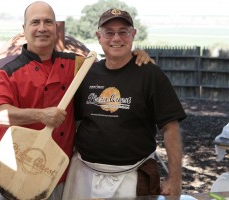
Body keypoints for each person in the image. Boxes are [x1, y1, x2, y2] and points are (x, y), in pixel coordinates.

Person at [0, 1, 152, 200]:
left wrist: (136, 58)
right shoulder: (8, 72)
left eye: (48, 22)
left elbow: (113, 69)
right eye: (35, 22)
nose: (42, 28)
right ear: (24, 29)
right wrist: (41, 115)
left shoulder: (76, 65)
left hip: (53, 177)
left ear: (56, 28)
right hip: (8, 174)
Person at [62, 8, 187, 200]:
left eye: (123, 32)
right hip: (83, 176)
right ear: (99, 36)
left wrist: (175, 179)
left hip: (133, 177)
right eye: (109, 32)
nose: (116, 38)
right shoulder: (87, 74)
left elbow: (171, 127)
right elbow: (74, 121)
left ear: (133, 34)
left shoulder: (150, 75)